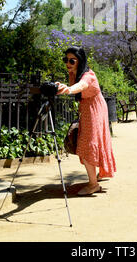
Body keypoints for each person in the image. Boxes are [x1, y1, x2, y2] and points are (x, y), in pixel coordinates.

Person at [55, 46, 116, 196]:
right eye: (66, 60)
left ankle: (93, 184)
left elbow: (81, 86)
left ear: (80, 61)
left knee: (88, 143)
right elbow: (77, 88)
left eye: (72, 60)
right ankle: (100, 174)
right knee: (95, 140)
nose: (68, 63)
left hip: (94, 108)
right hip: (88, 107)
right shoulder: (74, 73)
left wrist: (68, 89)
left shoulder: (88, 75)